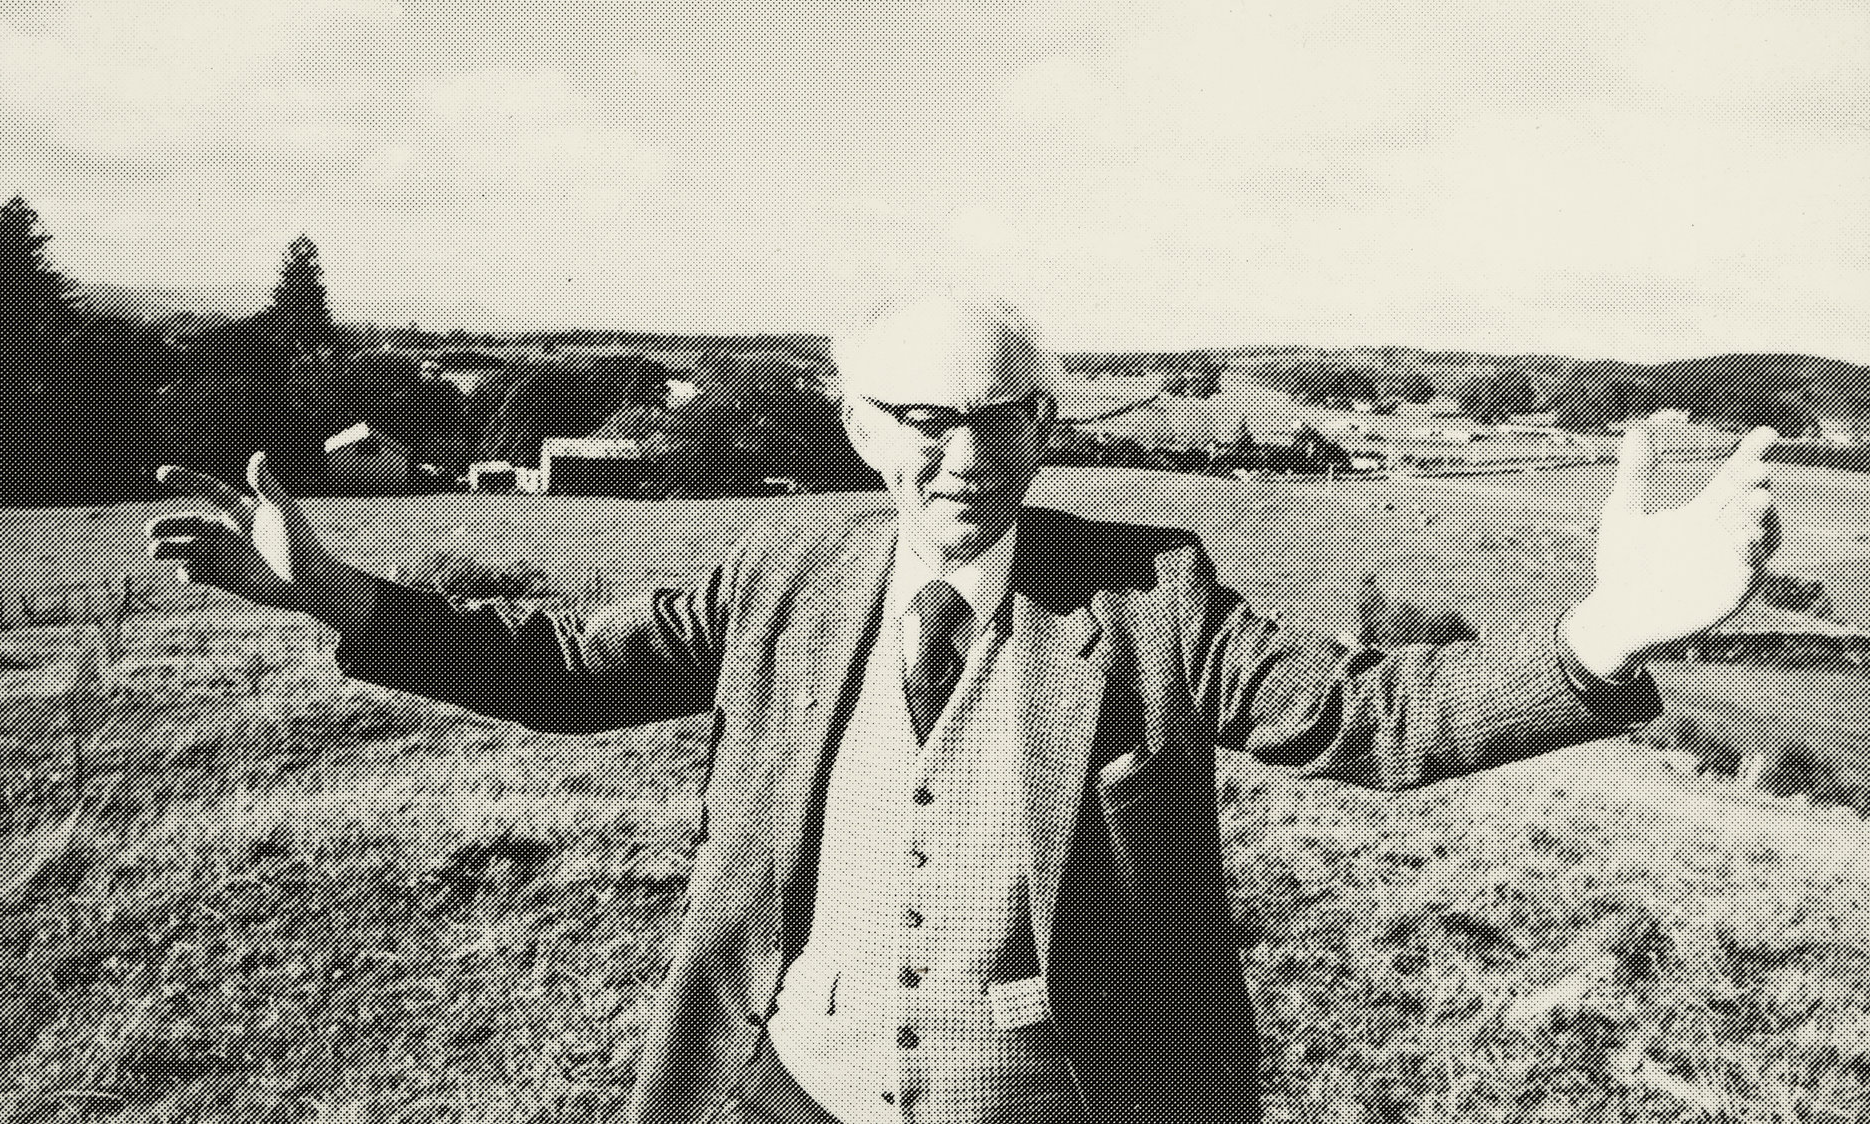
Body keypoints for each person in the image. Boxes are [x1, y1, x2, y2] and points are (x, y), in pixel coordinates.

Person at [148, 292, 1781, 1124]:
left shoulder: (1154, 596)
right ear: (858, 424)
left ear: (1045, 424)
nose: (966, 458)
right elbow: (563, 671)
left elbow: (1373, 716)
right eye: (923, 420)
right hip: (792, 1094)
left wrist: (1597, 640)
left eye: (1003, 419)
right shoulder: (777, 578)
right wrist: (344, 601)